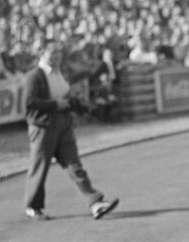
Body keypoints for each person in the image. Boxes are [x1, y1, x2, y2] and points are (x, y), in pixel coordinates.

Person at [22, 40, 119, 220]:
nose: (56, 56)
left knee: (74, 165)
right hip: (44, 127)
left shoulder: (59, 73)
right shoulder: (35, 76)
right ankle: (33, 206)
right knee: (39, 167)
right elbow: (29, 103)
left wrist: (77, 105)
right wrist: (55, 104)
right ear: (42, 53)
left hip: (64, 124)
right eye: (52, 52)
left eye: (58, 52)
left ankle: (95, 202)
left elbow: (65, 97)